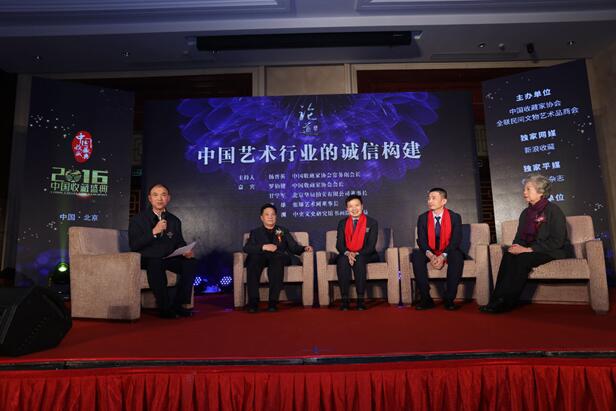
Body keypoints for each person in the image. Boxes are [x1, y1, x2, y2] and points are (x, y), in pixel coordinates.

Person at [480, 174, 572, 314]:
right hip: (529, 249)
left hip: (550, 250)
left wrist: (528, 249)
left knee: (523, 259)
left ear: (540, 192)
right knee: (508, 256)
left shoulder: (554, 210)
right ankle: (496, 300)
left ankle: (507, 302)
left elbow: (557, 241)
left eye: (528, 189)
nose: (524, 192)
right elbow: (519, 237)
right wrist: (515, 247)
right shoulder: (525, 213)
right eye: (524, 189)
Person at [128, 183, 197, 319]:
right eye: (155, 195)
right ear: (150, 198)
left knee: (191, 263)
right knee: (156, 263)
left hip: (167, 257)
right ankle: (165, 307)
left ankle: (178, 305)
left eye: (163, 195)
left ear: (168, 198)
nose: (159, 198)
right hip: (148, 258)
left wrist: (186, 251)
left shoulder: (174, 220)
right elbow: (134, 245)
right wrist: (154, 232)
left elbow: (179, 241)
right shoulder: (138, 220)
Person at [243, 203, 313, 313]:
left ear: (276, 216)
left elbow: (293, 247)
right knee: (253, 261)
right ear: (261, 217)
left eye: (273, 214)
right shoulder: (255, 232)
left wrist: (304, 248)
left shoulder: (282, 230)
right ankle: (253, 302)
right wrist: (264, 247)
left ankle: (273, 302)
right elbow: (247, 248)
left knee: (277, 262)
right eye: (267, 214)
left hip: (277, 257)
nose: (270, 217)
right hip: (260, 256)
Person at [412, 187, 464, 311]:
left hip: (449, 250)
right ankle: (426, 298)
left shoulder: (455, 217)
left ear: (444, 201)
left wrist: (443, 255)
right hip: (429, 250)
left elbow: (456, 240)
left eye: (433, 198)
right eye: (429, 198)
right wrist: (431, 256)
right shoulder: (423, 218)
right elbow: (422, 240)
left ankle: (449, 299)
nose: (430, 201)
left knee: (457, 256)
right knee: (416, 256)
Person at [335, 195, 379, 311]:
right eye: (350, 206)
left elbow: (371, 246)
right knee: (342, 260)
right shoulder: (342, 223)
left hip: (367, 254)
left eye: (357, 205)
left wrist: (356, 254)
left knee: (359, 259)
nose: (354, 209)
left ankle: (360, 300)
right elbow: (339, 245)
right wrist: (348, 253)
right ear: (347, 209)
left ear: (362, 206)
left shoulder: (372, 222)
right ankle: (345, 300)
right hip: (347, 254)